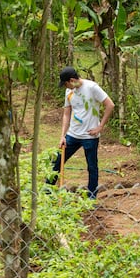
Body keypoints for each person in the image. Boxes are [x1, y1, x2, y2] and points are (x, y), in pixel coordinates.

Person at [45, 66, 115, 199]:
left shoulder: (92, 87)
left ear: (72, 80)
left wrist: (100, 127)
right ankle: (47, 191)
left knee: (92, 167)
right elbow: (66, 113)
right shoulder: (69, 92)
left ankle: (91, 197)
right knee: (58, 161)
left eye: (66, 83)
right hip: (72, 135)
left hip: (90, 136)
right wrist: (62, 136)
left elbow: (110, 104)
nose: (66, 87)